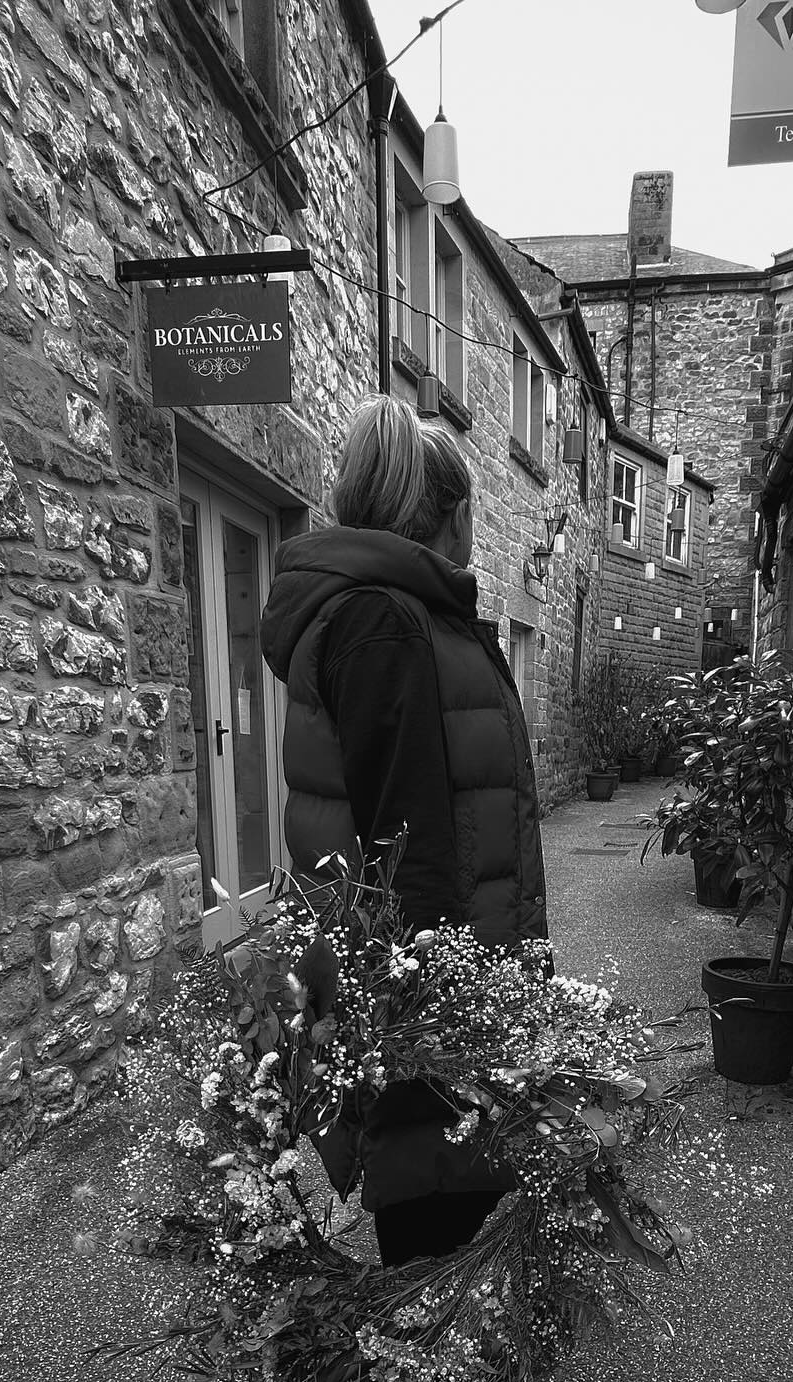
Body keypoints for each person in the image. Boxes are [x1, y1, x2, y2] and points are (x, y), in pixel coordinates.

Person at [259, 394, 548, 1275]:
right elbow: (407, 843)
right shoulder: (387, 623)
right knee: (437, 1172)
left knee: (445, 1171)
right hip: (433, 974)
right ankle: (426, 1364)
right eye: (473, 516)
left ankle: (431, 1343)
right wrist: (443, 1017)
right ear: (452, 519)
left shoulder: (396, 614)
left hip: (436, 962)